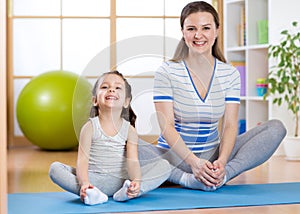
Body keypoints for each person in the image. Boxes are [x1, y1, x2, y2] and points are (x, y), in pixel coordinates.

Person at [138, 1, 287, 191]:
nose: (198, 35)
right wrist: (193, 162)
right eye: (191, 28)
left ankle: (220, 177)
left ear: (216, 31)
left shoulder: (229, 73)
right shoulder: (167, 72)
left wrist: (223, 162)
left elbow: (231, 125)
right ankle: (186, 179)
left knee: (276, 128)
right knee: (128, 143)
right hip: (174, 157)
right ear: (183, 32)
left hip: (213, 155)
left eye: (206, 28)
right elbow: (166, 125)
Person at [49, 70, 171, 205]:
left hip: (122, 181)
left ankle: (130, 192)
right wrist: (84, 183)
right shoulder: (89, 127)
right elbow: (82, 161)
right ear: (95, 100)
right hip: (93, 180)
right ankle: (91, 193)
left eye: (118, 87)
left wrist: (136, 181)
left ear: (126, 102)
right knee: (55, 168)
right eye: (105, 87)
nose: (112, 90)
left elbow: (133, 161)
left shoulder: (129, 130)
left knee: (164, 166)